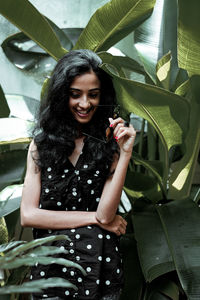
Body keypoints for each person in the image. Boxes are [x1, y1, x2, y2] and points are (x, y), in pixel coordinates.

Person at [20, 49, 136, 300]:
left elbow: (107, 214)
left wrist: (125, 153)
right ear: (63, 95)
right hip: (50, 269)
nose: (85, 104)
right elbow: (28, 215)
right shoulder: (41, 145)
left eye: (93, 95)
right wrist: (93, 219)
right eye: (76, 95)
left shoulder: (109, 146)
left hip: (101, 267)